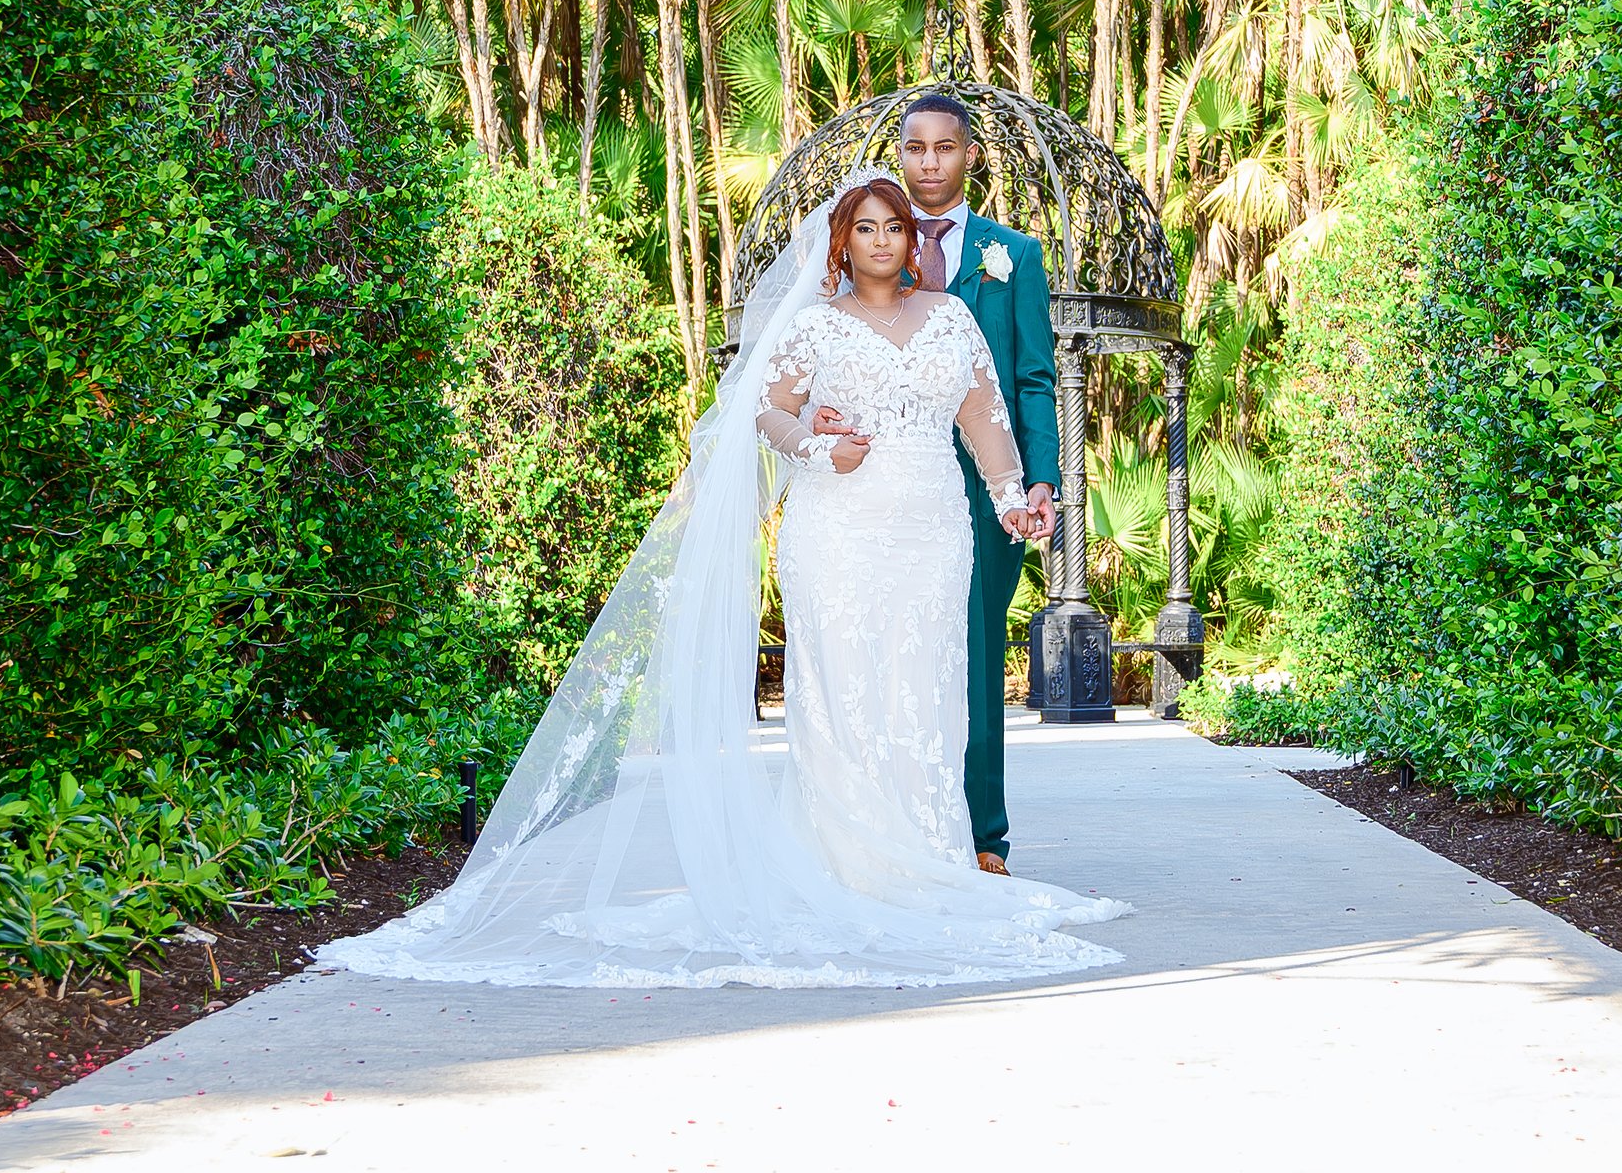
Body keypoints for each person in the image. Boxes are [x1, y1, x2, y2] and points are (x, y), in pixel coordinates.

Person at [317, 169, 1126, 989]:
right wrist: (816, 440)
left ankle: (927, 857)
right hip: (836, 530)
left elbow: (984, 422)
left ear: (914, 242)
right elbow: (764, 414)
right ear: (841, 242)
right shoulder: (815, 326)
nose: (883, 240)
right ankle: (845, 867)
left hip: (931, 532)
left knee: (925, 691)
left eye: (895, 228)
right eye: (867, 227)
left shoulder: (952, 319)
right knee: (843, 692)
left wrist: (1011, 502)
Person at [809, 95, 1059, 873]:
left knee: (973, 658)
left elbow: (1031, 378)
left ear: (968, 156)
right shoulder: (861, 240)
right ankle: (874, 826)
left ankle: (982, 836)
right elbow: (810, 367)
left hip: (985, 496)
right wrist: (818, 417)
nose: (928, 162)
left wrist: (1038, 481)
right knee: (878, 656)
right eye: (915, 148)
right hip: (870, 487)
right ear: (902, 155)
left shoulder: (1011, 254)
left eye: (944, 148)